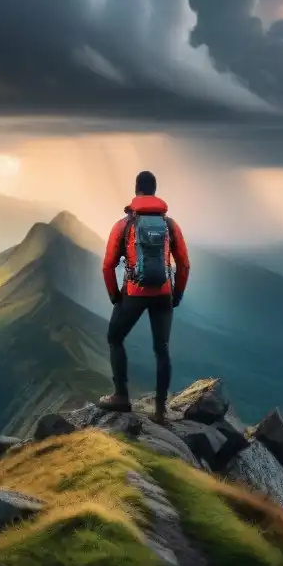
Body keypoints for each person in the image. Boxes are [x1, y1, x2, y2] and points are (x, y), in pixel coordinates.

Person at [98, 170, 190, 423]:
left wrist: (115, 295)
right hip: (163, 293)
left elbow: (107, 265)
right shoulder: (169, 225)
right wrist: (177, 294)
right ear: (154, 190)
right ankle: (161, 410)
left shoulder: (124, 225)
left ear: (136, 190)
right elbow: (183, 264)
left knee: (115, 338)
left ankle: (121, 396)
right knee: (162, 349)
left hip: (133, 293)